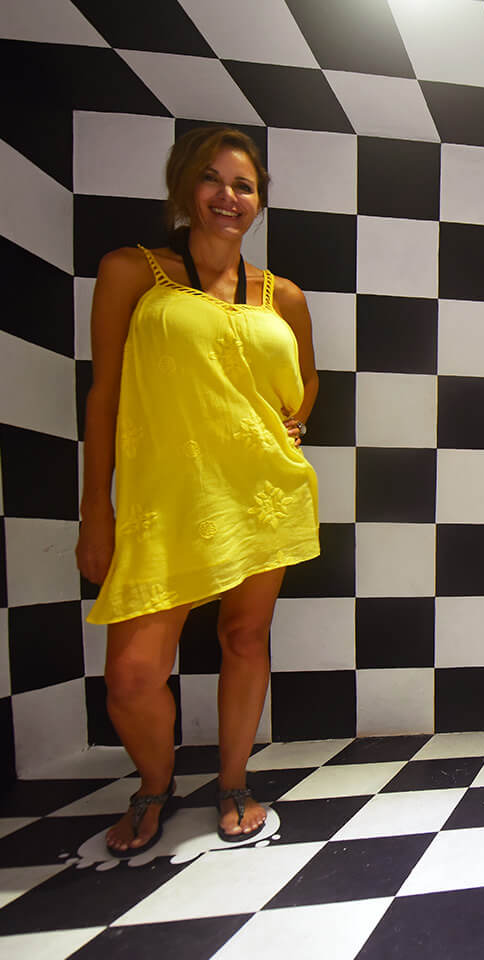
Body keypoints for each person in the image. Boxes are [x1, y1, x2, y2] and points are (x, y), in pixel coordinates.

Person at [75, 126, 320, 855]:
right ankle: (155, 785)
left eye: (245, 185)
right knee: (132, 676)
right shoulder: (133, 272)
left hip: (261, 492)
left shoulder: (283, 295)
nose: (228, 196)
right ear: (185, 185)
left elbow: (308, 377)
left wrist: (295, 422)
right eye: (213, 179)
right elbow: (104, 396)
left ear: (260, 200)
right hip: (164, 501)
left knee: (244, 638)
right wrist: (95, 510)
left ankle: (234, 782)